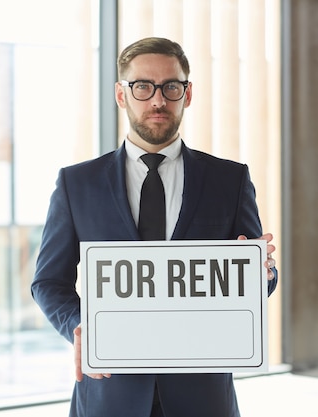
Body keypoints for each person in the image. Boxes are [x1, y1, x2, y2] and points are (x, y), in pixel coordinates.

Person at [31, 36, 278, 417]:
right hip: (110, 392)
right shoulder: (76, 184)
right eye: (143, 87)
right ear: (121, 94)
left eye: (171, 87)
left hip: (202, 394)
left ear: (187, 94)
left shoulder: (230, 180)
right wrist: (83, 327)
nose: (158, 100)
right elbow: (48, 282)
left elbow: (255, 280)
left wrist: (262, 271)